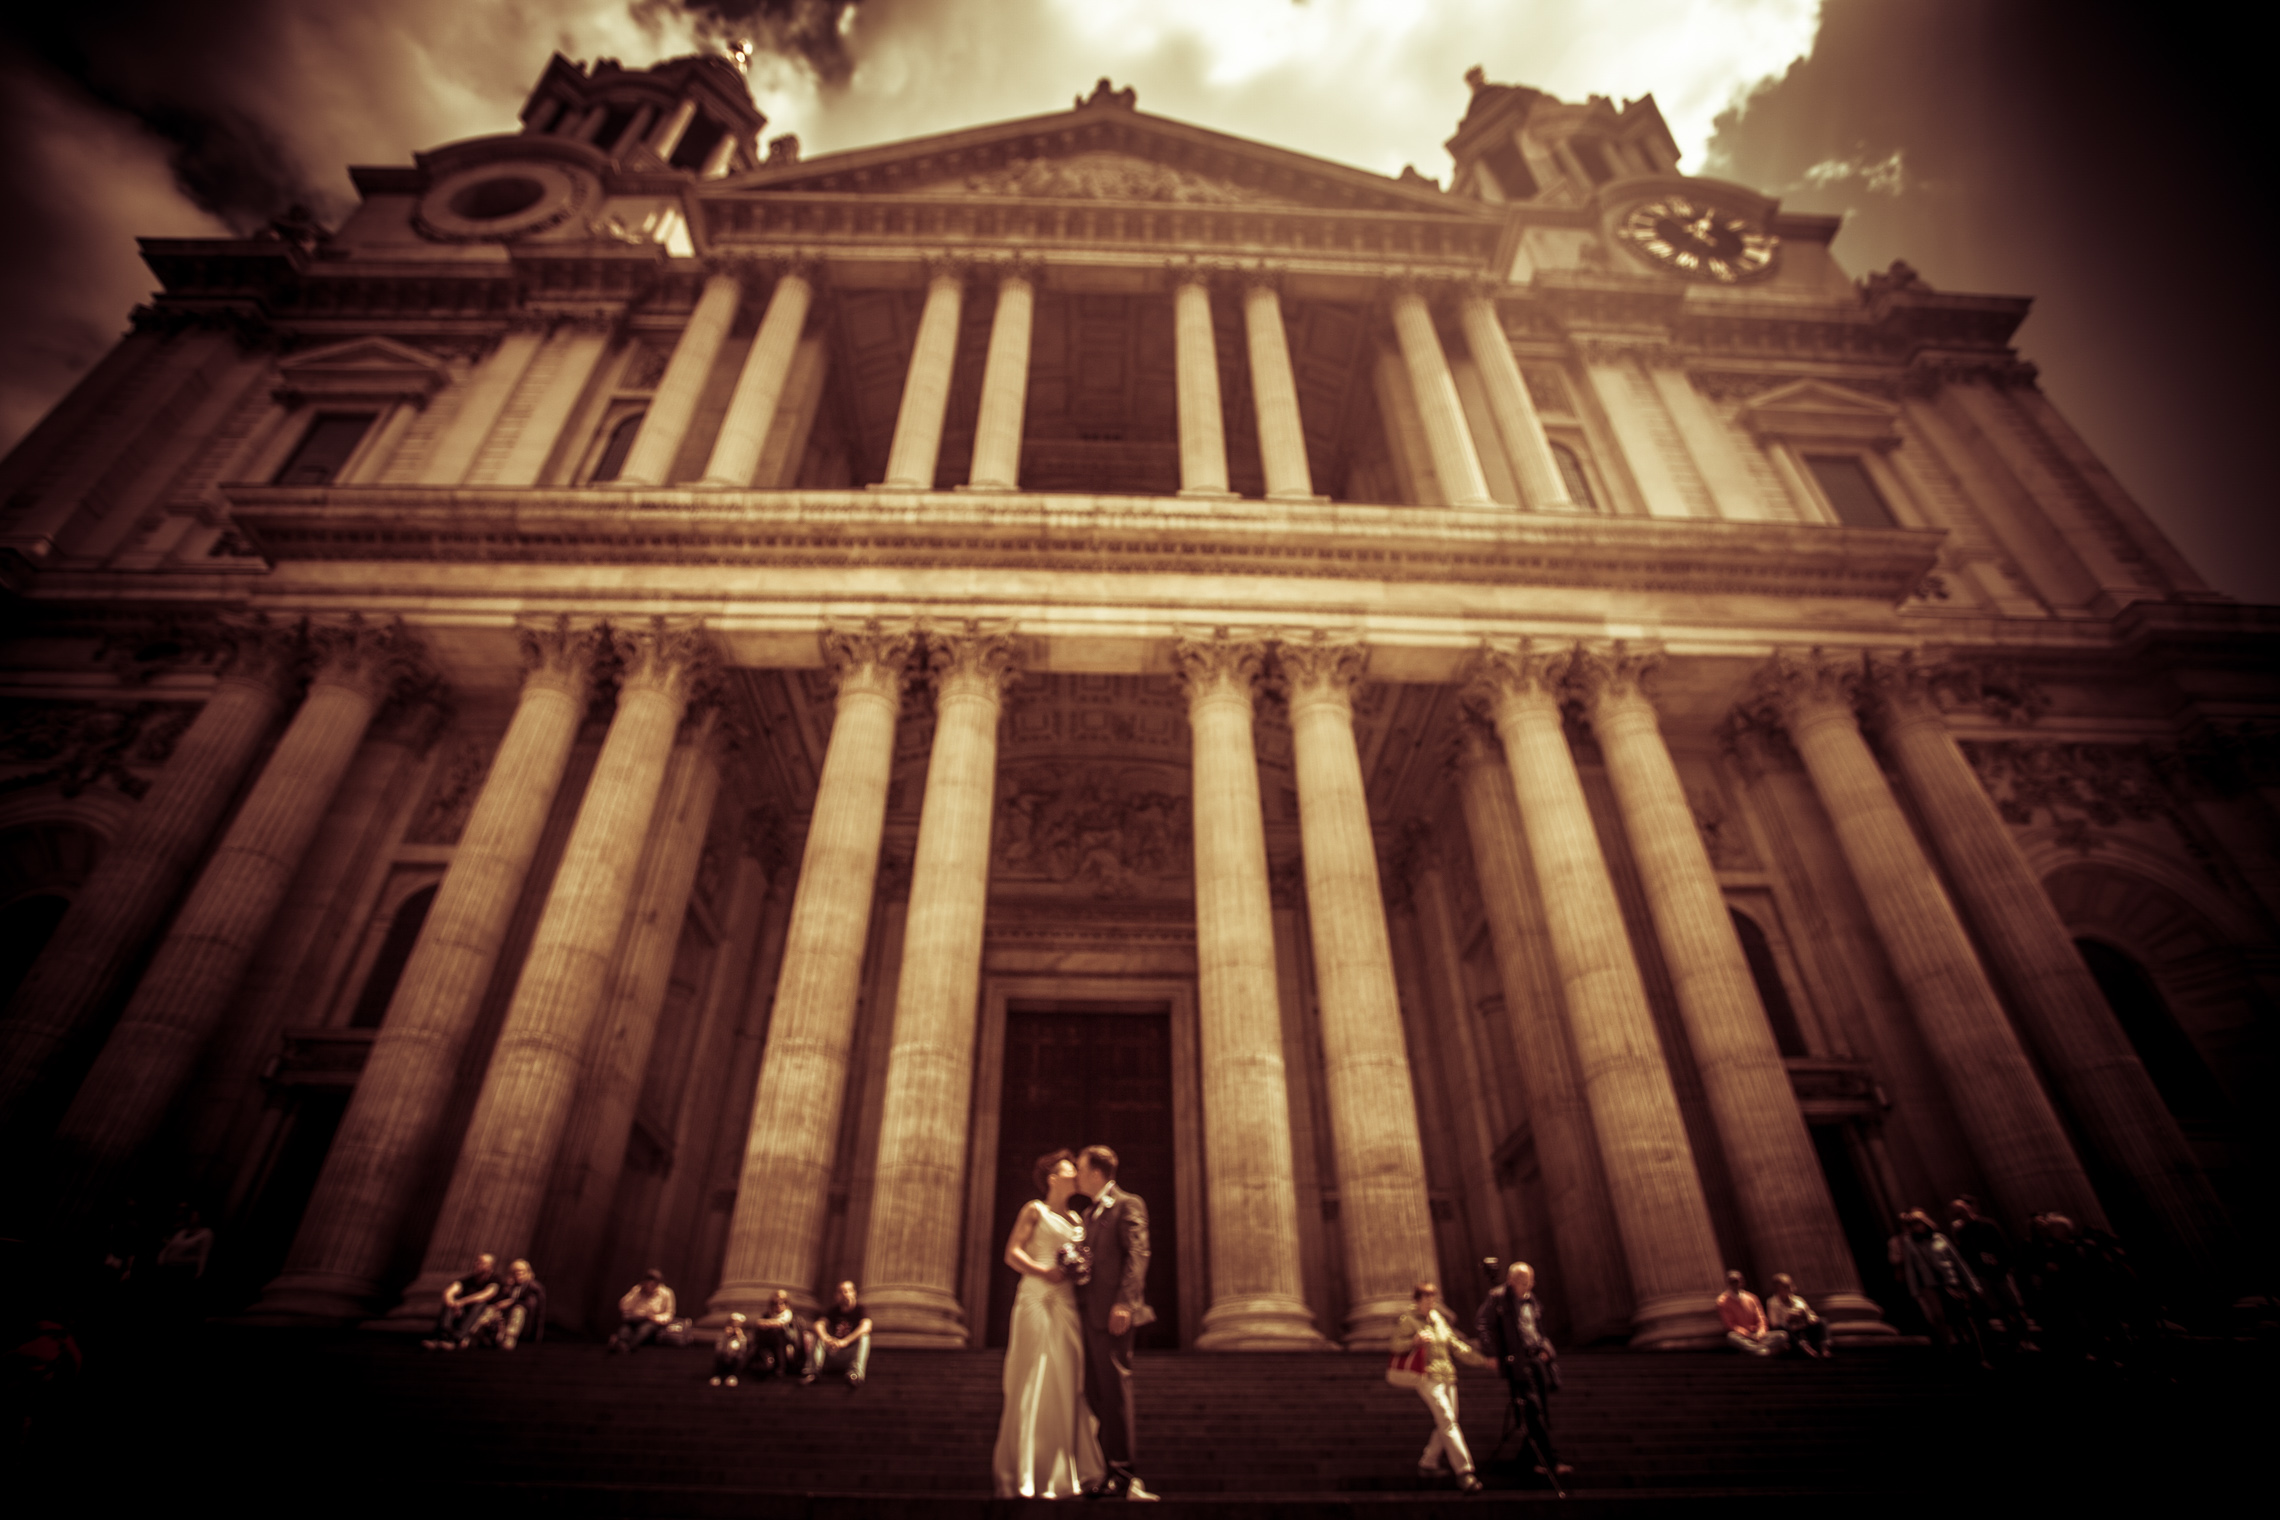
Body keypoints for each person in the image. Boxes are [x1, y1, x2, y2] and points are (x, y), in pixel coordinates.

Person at [992, 1148, 1107, 1499]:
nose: (1075, 1171)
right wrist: (1046, 1272)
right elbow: (1012, 1252)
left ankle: (1064, 1468)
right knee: (1035, 1375)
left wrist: (1078, 1272)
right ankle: (1027, 1471)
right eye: (1067, 1167)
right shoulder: (1034, 1210)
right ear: (1052, 1178)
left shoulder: (1078, 1220)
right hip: (1037, 1297)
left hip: (1067, 1303)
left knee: (1066, 1378)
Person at [1074, 1144, 1157, 1501]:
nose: (1076, 1176)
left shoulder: (1127, 1203)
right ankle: (1103, 1468)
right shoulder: (1091, 1212)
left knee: (1115, 1392)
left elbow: (1137, 1253)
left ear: (1096, 1172)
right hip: (1089, 1316)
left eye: (1080, 1169)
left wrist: (1126, 1302)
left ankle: (1123, 1473)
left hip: (1113, 1315)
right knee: (1096, 1394)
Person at [1473, 1260, 1569, 1482]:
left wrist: (1546, 1349)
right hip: (1517, 1361)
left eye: (1530, 1281)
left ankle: (1528, 1460)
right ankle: (1550, 1460)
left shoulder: (1532, 1301)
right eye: (1522, 1282)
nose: (1527, 1286)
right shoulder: (1498, 1298)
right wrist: (1491, 1353)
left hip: (1536, 1359)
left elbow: (1537, 1330)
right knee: (1532, 1407)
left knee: (1540, 1410)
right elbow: (1482, 1324)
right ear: (1510, 1280)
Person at [1394, 1281, 1492, 1494]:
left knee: (1447, 1422)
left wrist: (1483, 1361)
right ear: (1417, 1300)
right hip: (1426, 1377)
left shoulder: (1439, 1320)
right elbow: (1395, 1345)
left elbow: (1455, 1345)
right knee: (1448, 1420)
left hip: (1448, 1376)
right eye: (1427, 1297)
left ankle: (1428, 1463)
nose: (1432, 1301)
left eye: (1433, 1297)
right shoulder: (1408, 1321)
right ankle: (1465, 1472)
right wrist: (1414, 1340)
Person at [1889, 1210, 1986, 1365]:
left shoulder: (1941, 1239)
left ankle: (1979, 1356)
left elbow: (1958, 1262)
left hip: (1951, 1283)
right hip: (1929, 1285)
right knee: (1939, 1318)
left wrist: (1973, 1284)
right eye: (1911, 1224)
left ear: (1925, 1222)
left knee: (1964, 1318)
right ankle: (1949, 1354)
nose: (1914, 1227)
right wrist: (1915, 1292)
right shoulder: (1910, 1242)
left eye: (1917, 1223)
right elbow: (1910, 1268)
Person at [458, 1259, 546, 1350]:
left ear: (527, 1272)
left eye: (521, 1272)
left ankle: (509, 1340)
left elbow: (530, 1305)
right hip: (504, 1315)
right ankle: (472, 1337)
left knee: (518, 1310)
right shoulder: (509, 1286)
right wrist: (505, 1290)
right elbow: (496, 1301)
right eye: (515, 1272)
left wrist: (512, 1302)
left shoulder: (533, 1288)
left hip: (522, 1319)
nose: (518, 1275)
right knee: (490, 1309)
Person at [423, 1253, 499, 1348]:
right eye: (476, 1261)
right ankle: (442, 1336)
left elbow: (485, 1295)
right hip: (462, 1314)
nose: (476, 1264)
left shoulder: (495, 1280)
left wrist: (461, 1302)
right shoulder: (468, 1280)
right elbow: (449, 1291)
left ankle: (456, 1338)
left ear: (490, 1266)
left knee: (480, 1304)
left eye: (481, 1262)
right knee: (451, 1301)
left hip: (481, 1320)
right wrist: (452, 1302)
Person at [804, 1280, 871, 1387]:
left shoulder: (860, 1309)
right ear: (836, 1295)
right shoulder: (833, 1311)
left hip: (850, 1354)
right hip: (833, 1352)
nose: (844, 1294)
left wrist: (845, 1341)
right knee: (818, 1335)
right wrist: (827, 1339)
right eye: (841, 1292)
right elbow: (818, 1325)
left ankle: (855, 1374)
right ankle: (812, 1373)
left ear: (854, 1293)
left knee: (864, 1338)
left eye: (847, 1291)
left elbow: (866, 1326)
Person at [608, 1268, 676, 1353]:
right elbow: (623, 1306)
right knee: (625, 1329)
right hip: (635, 1319)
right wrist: (637, 1293)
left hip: (652, 1321)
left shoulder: (666, 1293)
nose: (650, 1285)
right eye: (648, 1282)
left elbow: (669, 1314)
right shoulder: (637, 1290)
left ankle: (628, 1347)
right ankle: (620, 1342)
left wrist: (654, 1318)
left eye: (653, 1283)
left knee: (644, 1330)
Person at [1762, 1274, 1830, 1359]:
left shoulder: (1798, 1300)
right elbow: (1774, 1323)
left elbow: (1812, 1316)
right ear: (1778, 1289)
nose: (1789, 1289)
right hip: (1790, 1332)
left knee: (1822, 1321)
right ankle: (1805, 1348)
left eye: (1789, 1286)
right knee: (1783, 1326)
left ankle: (1824, 1349)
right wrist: (1788, 1319)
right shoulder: (1772, 1302)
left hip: (1802, 1327)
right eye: (1785, 1287)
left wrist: (1807, 1318)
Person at [1717, 1270, 1782, 1355]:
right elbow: (1730, 1325)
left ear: (1742, 1282)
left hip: (1757, 1335)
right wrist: (1748, 1335)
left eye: (1736, 1281)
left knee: (1782, 1335)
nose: (1734, 1284)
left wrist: (1760, 1333)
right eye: (1731, 1281)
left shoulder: (1752, 1298)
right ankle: (1762, 1350)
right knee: (1731, 1337)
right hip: (1742, 1336)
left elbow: (1761, 1318)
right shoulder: (1722, 1301)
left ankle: (1755, 1349)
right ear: (1727, 1283)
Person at [749, 1289, 803, 1379]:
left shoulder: (790, 1314)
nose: (778, 1305)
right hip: (768, 1340)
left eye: (782, 1302)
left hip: (786, 1340)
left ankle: (781, 1366)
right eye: (775, 1303)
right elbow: (758, 1323)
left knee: (779, 1336)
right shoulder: (768, 1314)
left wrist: (767, 1323)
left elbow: (781, 1323)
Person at [711, 1314, 751, 1387]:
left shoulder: (742, 1338)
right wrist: (726, 1338)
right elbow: (718, 1349)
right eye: (732, 1326)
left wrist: (740, 1338)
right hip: (724, 1356)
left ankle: (733, 1376)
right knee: (719, 1358)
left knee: (739, 1359)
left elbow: (743, 1351)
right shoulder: (722, 1336)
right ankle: (718, 1375)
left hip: (735, 1358)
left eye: (737, 1327)